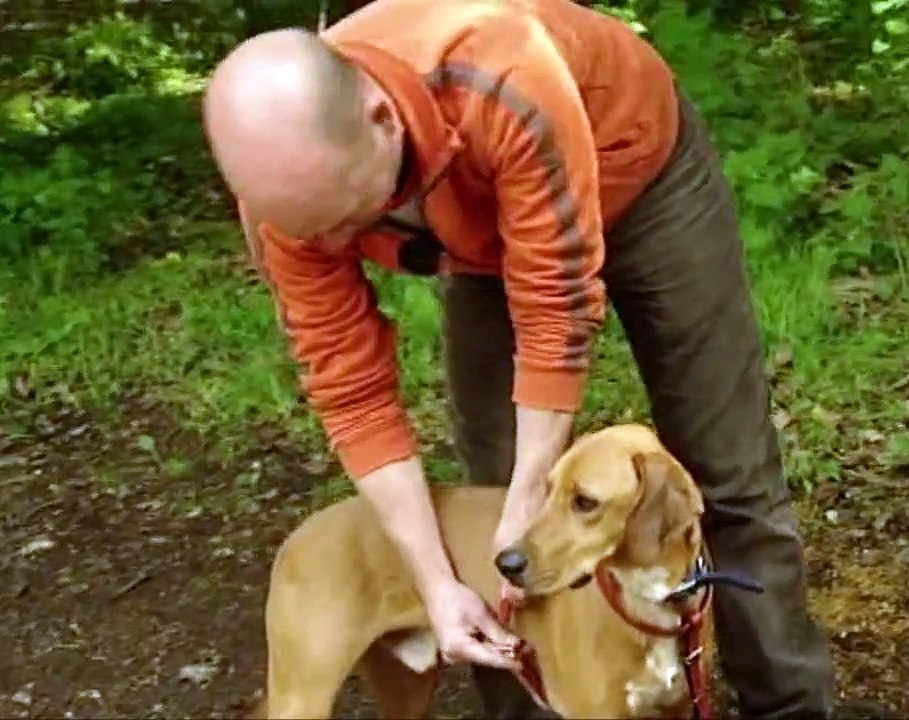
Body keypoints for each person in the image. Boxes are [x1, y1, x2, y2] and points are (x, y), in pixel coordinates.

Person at [201, 0, 838, 716]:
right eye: (320, 229)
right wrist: (436, 580)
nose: (347, 241)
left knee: (724, 468)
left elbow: (555, 309)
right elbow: (351, 392)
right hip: (479, 234)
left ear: (382, 117)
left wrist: (536, 489)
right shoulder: (287, 199)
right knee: (499, 501)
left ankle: (786, 703)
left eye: (354, 215)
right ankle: (527, 699)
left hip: (640, 175)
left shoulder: (499, 76)